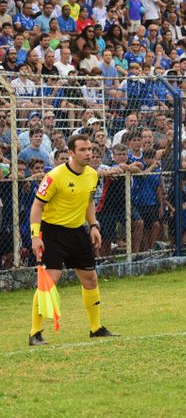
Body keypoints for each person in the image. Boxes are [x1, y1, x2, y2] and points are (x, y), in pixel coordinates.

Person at [28, 134, 118, 346]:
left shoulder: (92, 175)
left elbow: (88, 202)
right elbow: (36, 207)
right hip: (52, 233)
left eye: (90, 150)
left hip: (77, 232)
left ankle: (96, 328)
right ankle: (35, 333)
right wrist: (35, 237)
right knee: (49, 281)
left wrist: (94, 225)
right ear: (71, 153)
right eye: (83, 150)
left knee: (90, 279)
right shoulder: (54, 176)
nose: (89, 153)